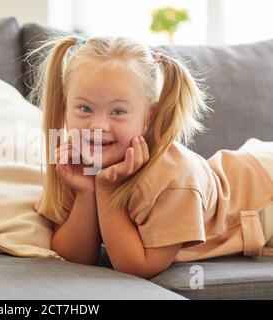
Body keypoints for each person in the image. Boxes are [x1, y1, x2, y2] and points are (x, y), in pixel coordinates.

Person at [28, 35, 273, 279]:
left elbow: (137, 267)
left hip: (264, 192)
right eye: (85, 109)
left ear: (149, 115)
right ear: (64, 106)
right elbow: (72, 258)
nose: (98, 124)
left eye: (118, 111)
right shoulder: (76, 160)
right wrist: (86, 193)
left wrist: (105, 188)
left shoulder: (173, 178)